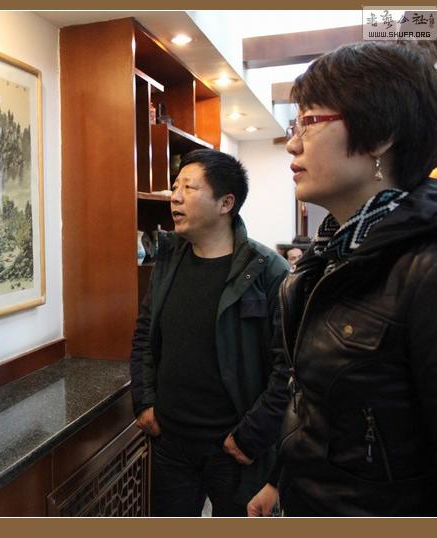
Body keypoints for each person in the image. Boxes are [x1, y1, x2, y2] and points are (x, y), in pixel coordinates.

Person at [247, 40, 437, 516]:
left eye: (309, 122)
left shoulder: (428, 268)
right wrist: (280, 480)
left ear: (381, 135)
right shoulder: (331, 255)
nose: (292, 143)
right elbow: (317, 406)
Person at [130, 148, 290, 516]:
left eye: (189, 187)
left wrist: (252, 436)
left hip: (234, 448)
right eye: (175, 187)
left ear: (226, 203)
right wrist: (144, 400)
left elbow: (288, 367)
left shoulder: (268, 271)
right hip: (170, 442)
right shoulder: (168, 260)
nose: (175, 197)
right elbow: (145, 333)